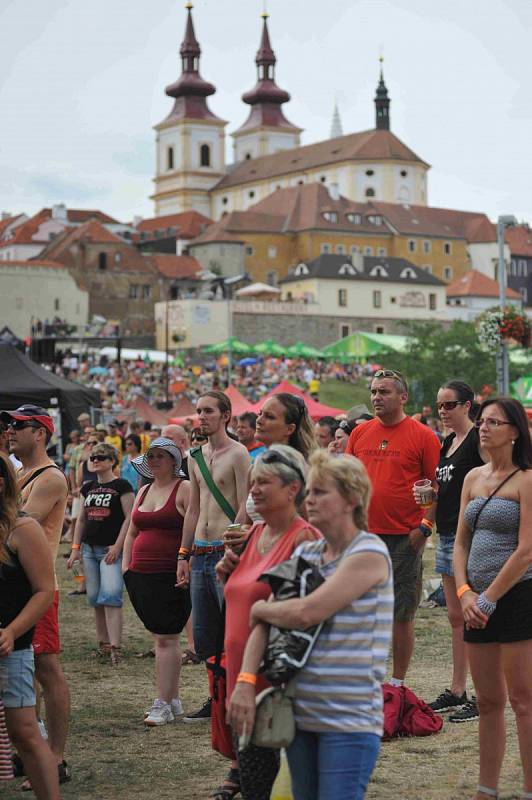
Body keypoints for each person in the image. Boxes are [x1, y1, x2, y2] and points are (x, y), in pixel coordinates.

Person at [229, 451, 393, 800]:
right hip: (300, 714)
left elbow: (306, 612)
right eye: (311, 491)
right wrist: (245, 680)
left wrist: (261, 607)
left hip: (348, 719)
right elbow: (263, 625)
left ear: (351, 499)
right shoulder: (308, 554)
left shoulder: (369, 553)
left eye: (320, 492)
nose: (310, 498)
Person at [217, 445, 320, 800]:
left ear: (293, 489)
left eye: (264, 482)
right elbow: (245, 598)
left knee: (282, 786)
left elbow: (302, 613)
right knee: (254, 782)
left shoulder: (304, 538)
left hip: (275, 685)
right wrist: (225, 576)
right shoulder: (256, 535)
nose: (254, 490)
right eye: (252, 483)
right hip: (241, 677)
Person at [453, 397, 532, 800]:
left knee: (522, 701)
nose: (483, 428)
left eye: (494, 422)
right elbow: (459, 542)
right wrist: (466, 592)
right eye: (482, 421)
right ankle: (487, 790)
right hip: (474, 601)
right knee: (487, 702)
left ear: (514, 431)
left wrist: (490, 598)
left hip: (517, 597)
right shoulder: (471, 478)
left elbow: (527, 549)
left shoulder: (527, 480)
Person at [345, 369, 440, 684]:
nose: (376, 397)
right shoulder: (360, 434)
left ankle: (397, 681)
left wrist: (424, 527)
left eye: (384, 392)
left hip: (405, 538)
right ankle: (363, 675)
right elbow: (345, 482)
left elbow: (438, 487)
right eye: (373, 391)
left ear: (403, 397)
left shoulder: (423, 436)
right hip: (364, 537)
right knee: (362, 609)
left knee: (401, 613)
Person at [1, 405, 71, 785]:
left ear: (41, 432)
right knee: (28, 671)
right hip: (18, 587)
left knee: (48, 670)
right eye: (9, 424)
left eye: (19, 425)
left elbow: (14, 520)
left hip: (37, 588)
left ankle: (55, 757)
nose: (10, 430)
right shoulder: (21, 472)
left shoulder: (50, 477)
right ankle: (31, 750)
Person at [176, 392, 249, 728]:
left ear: (226, 416)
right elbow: (193, 507)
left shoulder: (238, 454)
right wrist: (183, 553)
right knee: (206, 635)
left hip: (225, 549)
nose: (201, 417)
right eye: (198, 412)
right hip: (201, 551)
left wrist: (234, 544)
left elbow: (243, 504)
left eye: (208, 411)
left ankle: (234, 694)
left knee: (232, 629)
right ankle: (215, 697)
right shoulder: (194, 457)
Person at [415, 382, 483, 721]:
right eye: (439, 405)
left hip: (470, 537)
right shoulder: (447, 443)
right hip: (445, 537)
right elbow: (445, 486)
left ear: (467, 405)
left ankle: (484, 694)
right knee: (456, 618)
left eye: (449, 405)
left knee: (476, 616)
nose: (442, 411)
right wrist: (430, 497)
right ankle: (458, 689)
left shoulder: (477, 440)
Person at [0, 453, 60, 800]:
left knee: (24, 732)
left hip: (10, 647)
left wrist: (11, 631)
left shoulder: (22, 528)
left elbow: (44, 591)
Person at [122, 438, 191, 726]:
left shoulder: (184, 489)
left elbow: (193, 526)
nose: (153, 461)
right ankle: (171, 699)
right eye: (150, 456)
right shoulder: (144, 490)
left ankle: (162, 703)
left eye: (160, 456)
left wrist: (184, 561)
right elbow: (132, 531)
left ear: (174, 461)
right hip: (141, 574)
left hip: (169, 572)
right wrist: (127, 567)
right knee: (162, 638)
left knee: (166, 637)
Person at [67, 443, 134, 665]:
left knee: (112, 596)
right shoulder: (88, 487)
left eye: (101, 457)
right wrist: (75, 549)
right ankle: (103, 644)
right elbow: (82, 520)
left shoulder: (122, 485)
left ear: (112, 461)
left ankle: (116, 647)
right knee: (95, 598)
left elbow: (130, 518)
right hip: (89, 550)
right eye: (93, 457)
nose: (95, 460)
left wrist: (118, 546)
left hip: (110, 550)